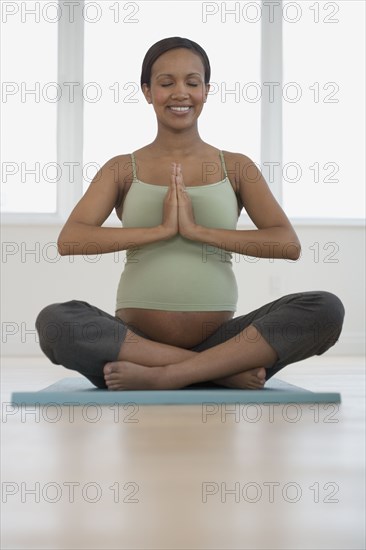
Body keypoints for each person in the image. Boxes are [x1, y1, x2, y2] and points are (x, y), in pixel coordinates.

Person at [35, 36, 345, 391]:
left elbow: (287, 244)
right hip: (136, 343)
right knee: (56, 321)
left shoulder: (236, 166)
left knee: (325, 308)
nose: (180, 93)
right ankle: (216, 372)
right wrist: (161, 230)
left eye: (192, 83)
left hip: (222, 341)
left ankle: (167, 375)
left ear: (206, 91)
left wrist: (198, 231)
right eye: (166, 83)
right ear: (148, 91)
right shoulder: (121, 168)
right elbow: (71, 240)